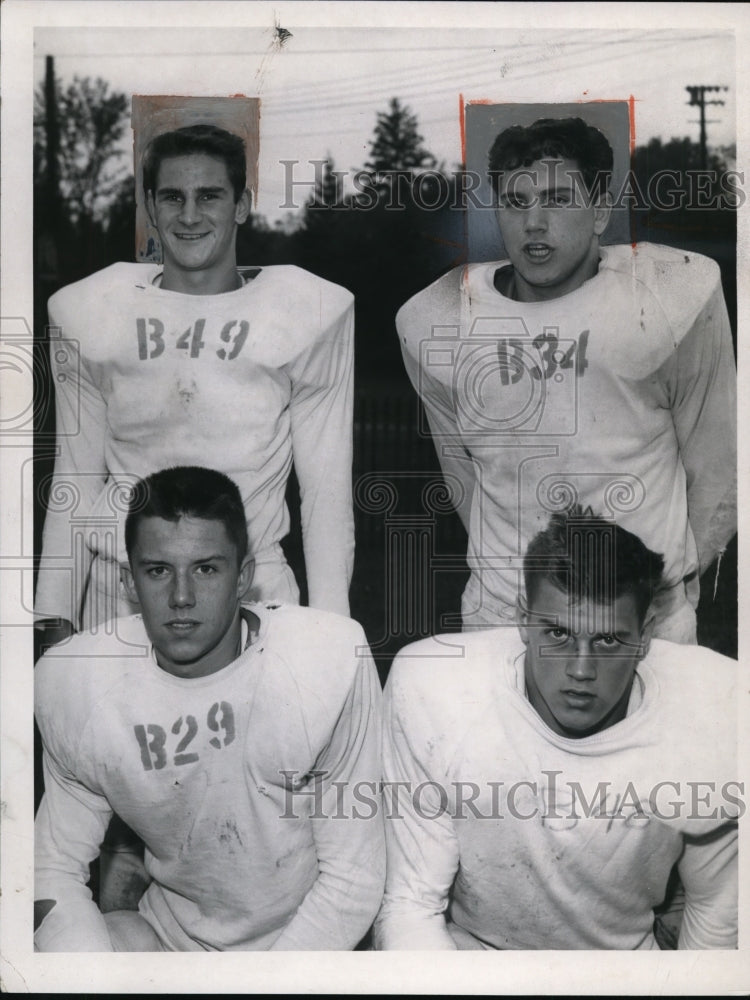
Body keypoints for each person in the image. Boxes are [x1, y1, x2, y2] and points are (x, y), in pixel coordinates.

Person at [396, 115, 736, 641]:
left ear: (601, 210)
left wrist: (668, 586)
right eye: (516, 201)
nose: (534, 222)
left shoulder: (669, 297)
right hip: (504, 619)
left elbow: (719, 464)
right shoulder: (438, 317)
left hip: (642, 617)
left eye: (557, 199)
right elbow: (463, 477)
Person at [34, 466, 384, 952]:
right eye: (158, 570)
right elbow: (51, 871)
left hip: (304, 939)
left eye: (206, 568)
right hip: (169, 939)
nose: (181, 597)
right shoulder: (82, 684)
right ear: (129, 582)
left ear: (243, 578)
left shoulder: (320, 665)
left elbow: (353, 881)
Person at [35, 123, 355, 650]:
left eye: (209, 195)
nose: (188, 215)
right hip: (122, 586)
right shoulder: (89, 313)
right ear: (149, 206)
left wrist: (332, 634)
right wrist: (52, 618)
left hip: (252, 589)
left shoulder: (308, 314)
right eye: (172, 197)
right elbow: (74, 478)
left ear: (242, 204)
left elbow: (324, 492)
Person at [374, 506, 739, 951]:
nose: (581, 670)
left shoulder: (712, 704)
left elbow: (717, 911)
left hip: (620, 971)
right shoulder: (436, 689)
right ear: (523, 619)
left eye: (607, 640)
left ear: (645, 635)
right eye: (558, 634)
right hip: (472, 956)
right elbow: (412, 905)